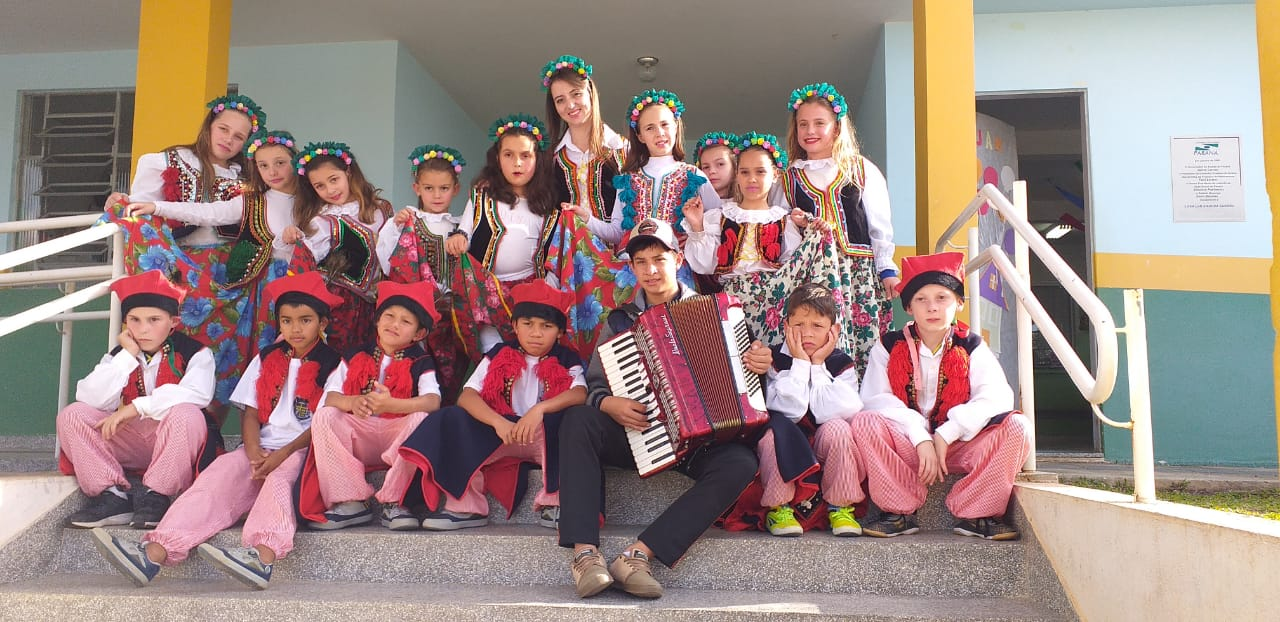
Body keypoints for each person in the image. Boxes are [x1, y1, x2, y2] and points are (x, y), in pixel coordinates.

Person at [556, 219, 770, 599]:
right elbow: (594, 385)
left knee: (740, 463)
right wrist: (609, 402)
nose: (651, 270)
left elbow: (746, 383)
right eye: (641, 262)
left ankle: (637, 556)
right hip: (637, 431)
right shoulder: (620, 320)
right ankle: (585, 555)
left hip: (696, 443)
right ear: (632, 267)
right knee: (577, 420)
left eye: (659, 259)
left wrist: (758, 363)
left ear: (678, 257)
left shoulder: (719, 313)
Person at [89, 272, 343, 589]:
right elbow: (250, 413)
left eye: (305, 320)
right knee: (218, 475)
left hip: (303, 450)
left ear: (322, 324)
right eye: (287, 320)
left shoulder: (336, 364)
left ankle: (261, 558)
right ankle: (152, 553)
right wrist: (252, 452)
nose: (295, 328)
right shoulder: (266, 358)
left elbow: (323, 421)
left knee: (278, 482)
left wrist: (281, 455)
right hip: (260, 447)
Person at [100, 94, 265, 415]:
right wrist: (119, 203)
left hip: (227, 273)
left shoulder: (250, 177)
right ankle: (159, 418)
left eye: (239, 136)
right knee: (172, 342)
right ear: (209, 126)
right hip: (178, 263)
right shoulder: (165, 161)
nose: (229, 139)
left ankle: (208, 433)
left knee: (221, 351)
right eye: (223, 129)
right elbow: (141, 208)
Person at [855, 252, 1031, 540]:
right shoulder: (888, 346)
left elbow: (996, 396)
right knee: (865, 422)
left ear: (959, 303)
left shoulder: (970, 344)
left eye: (942, 297)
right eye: (921, 299)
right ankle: (897, 511)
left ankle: (977, 514)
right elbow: (875, 399)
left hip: (959, 445)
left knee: (1018, 427)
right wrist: (920, 435)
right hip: (908, 447)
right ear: (909, 307)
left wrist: (947, 432)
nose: (932, 307)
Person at [398, 280, 584, 530]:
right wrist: (497, 422)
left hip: (542, 435)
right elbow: (467, 396)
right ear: (515, 326)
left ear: (560, 332)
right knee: (453, 417)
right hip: (501, 434)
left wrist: (539, 410)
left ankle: (556, 501)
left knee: (570, 420)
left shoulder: (566, 358)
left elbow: (579, 393)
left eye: (546, 326)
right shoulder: (498, 353)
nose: (536, 333)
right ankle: (466, 506)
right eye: (528, 324)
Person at [122, 130, 307, 357]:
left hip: (306, 284)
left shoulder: (312, 199)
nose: (273, 172)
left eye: (280, 163)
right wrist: (157, 207)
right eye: (263, 165)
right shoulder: (253, 201)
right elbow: (209, 212)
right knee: (269, 350)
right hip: (265, 289)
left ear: (295, 162)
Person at [57, 271, 213, 529]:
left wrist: (136, 407)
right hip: (131, 443)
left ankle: (157, 496)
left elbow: (198, 393)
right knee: (72, 415)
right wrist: (127, 357)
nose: (143, 329)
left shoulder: (196, 352)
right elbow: (89, 397)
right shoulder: (120, 355)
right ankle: (112, 495)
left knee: (187, 413)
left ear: (173, 322)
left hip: (175, 441)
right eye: (135, 320)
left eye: (154, 320)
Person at [298, 280, 443, 531]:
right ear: (377, 320)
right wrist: (352, 402)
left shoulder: (421, 361)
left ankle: (396, 502)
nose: (394, 324)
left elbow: (433, 401)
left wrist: (392, 405)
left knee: (420, 418)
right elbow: (330, 397)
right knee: (325, 416)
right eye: (389, 316)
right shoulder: (355, 354)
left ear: (419, 334)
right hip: (360, 436)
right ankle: (351, 501)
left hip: (396, 437)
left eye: (405, 321)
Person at [784, 82, 898, 373]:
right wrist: (794, 225)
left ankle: (866, 402)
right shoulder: (788, 179)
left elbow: (879, 224)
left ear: (836, 128)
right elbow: (782, 234)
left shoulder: (860, 169)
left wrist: (886, 268)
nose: (810, 131)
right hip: (812, 277)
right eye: (803, 124)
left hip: (858, 273)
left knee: (865, 341)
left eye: (819, 123)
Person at [755, 283, 866, 538]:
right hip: (785, 442)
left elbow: (839, 410)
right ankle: (778, 507)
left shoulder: (841, 363)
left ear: (833, 330)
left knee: (838, 428)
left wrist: (817, 366)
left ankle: (841, 506)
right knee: (774, 433)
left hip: (824, 445)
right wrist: (801, 364)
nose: (807, 333)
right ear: (786, 326)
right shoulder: (771, 361)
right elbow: (790, 410)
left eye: (817, 326)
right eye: (799, 325)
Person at [444, 114, 561, 354]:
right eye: (509, 155)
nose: (517, 163)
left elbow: (554, 253)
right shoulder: (482, 196)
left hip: (528, 296)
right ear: (497, 159)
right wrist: (458, 239)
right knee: (494, 356)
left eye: (525, 156)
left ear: (537, 159)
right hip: (486, 294)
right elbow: (465, 230)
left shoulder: (549, 206)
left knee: (527, 353)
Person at [377, 144, 468, 400]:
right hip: (417, 317)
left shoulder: (460, 224)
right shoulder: (408, 220)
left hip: (453, 317)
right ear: (417, 189)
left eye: (444, 188)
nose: (436, 195)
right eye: (429, 188)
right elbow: (387, 262)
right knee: (416, 370)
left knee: (451, 374)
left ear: (456, 189)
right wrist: (396, 227)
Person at [293, 141, 394, 354]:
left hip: (379, 305)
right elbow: (305, 262)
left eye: (334, 179)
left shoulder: (381, 209)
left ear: (348, 173)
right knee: (340, 360)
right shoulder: (323, 221)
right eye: (320, 186)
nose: (330, 190)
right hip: (341, 306)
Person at [543, 55, 628, 241]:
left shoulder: (622, 149)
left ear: (590, 92)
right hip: (569, 261)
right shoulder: (551, 157)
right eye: (560, 100)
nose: (570, 105)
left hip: (618, 260)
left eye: (576, 94)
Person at [693, 131, 738, 201]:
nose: (712, 171)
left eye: (720, 164)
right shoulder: (693, 204)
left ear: (735, 167)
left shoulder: (747, 205)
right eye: (706, 167)